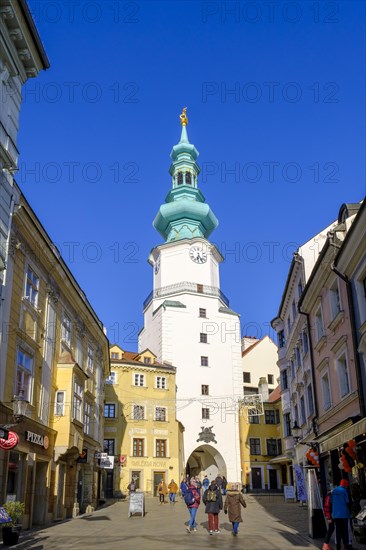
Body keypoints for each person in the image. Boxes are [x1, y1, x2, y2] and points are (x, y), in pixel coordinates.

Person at [331, 479, 352, 550]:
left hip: (335, 514)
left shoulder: (334, 491)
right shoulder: (345, 491)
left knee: (338, 530)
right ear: (345, 485)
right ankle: (346, 546)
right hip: (344, 514)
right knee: (345, 530)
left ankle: (338, 546)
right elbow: (347, 502)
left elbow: (331, 501)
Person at [322, 484, 334, 550]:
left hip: (334, 514)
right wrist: (329, 517)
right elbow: (326, 507)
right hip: (332, 515)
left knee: (332, 529)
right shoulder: (329, 497)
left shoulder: (331, 496)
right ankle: (325, 544)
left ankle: (326, 544)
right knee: (331, 529)